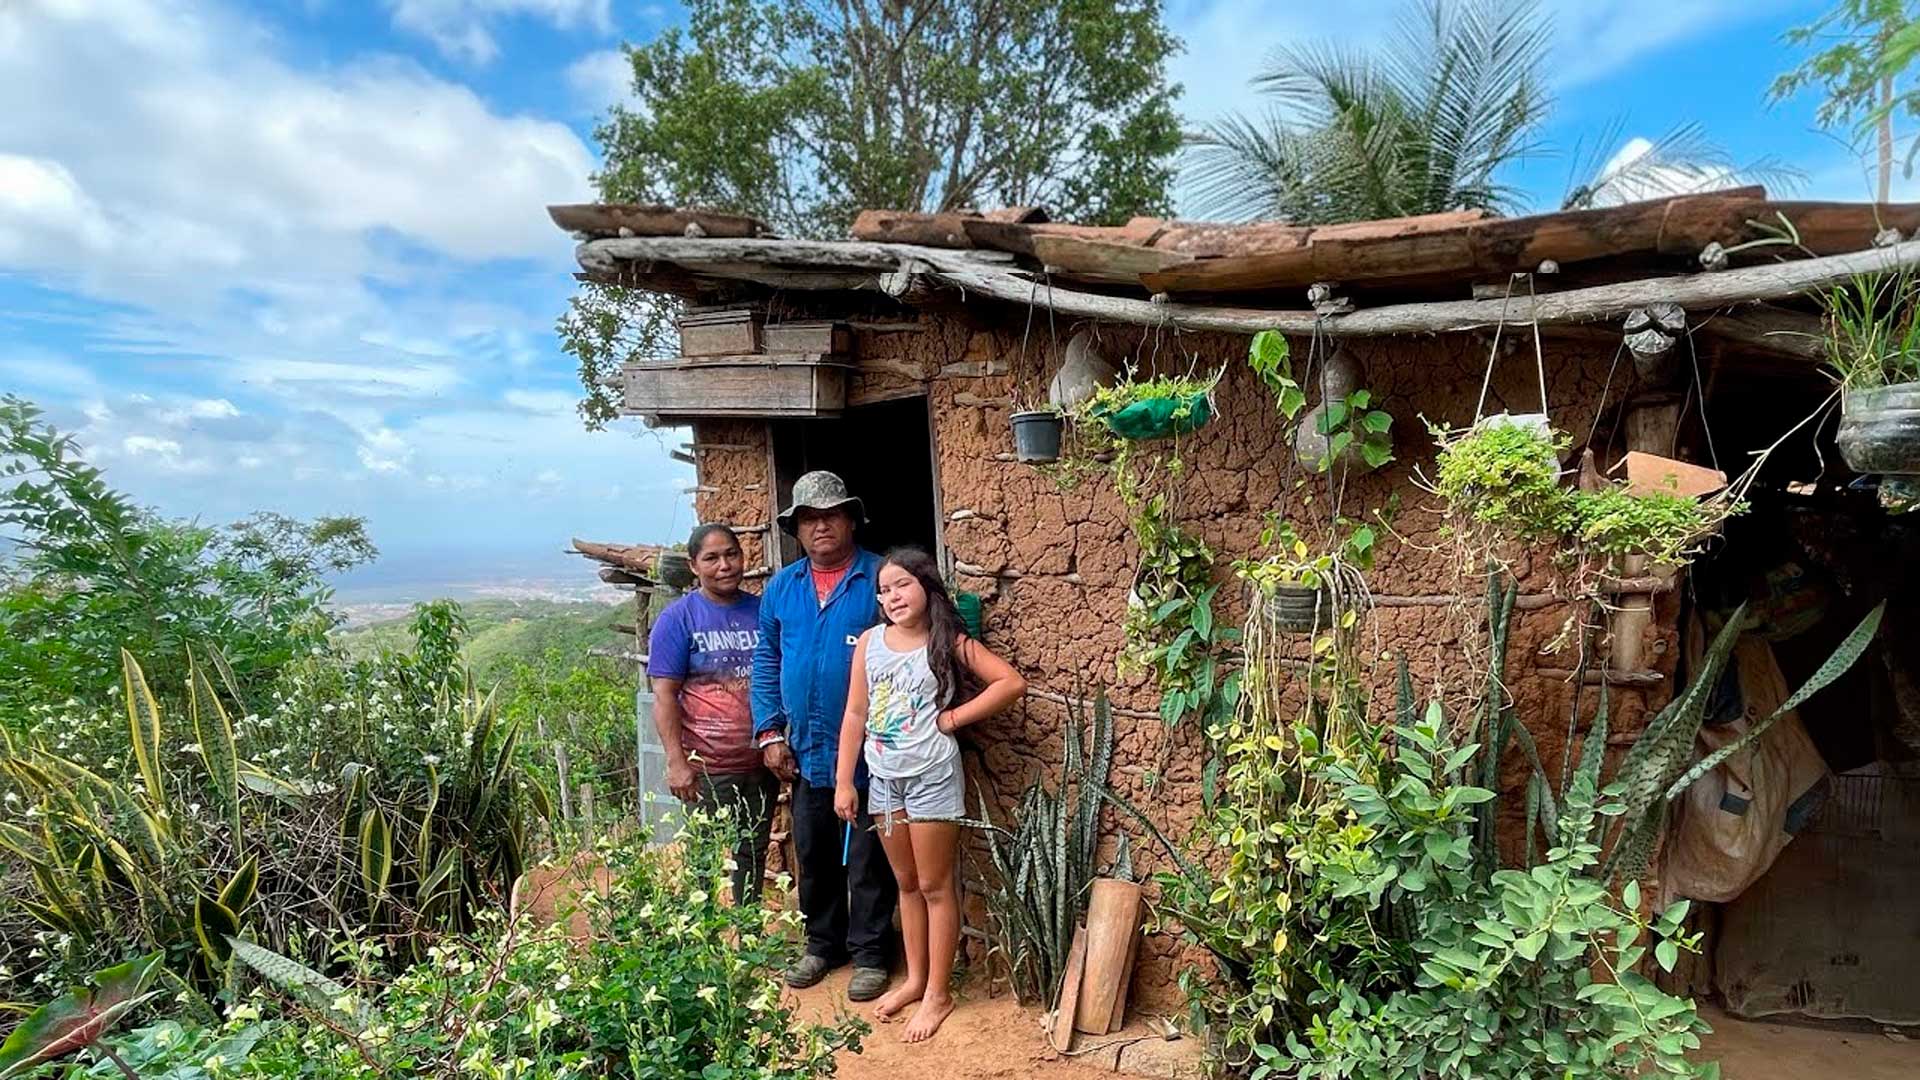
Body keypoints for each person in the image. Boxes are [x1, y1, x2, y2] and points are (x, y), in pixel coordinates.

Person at [834, 547, 1025, 1043]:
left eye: (901, 585)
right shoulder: (871, 643)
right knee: (907, 883)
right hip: (885, 779)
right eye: (884, 589)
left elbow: (1010, 682)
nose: (892, 596)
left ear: (925, 586)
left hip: (932, 776)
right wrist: (842, 780)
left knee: (937, 885)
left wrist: (953, 719)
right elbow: (856, 713)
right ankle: (915, 981)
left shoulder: (948, 641)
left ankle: (939, 992)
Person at [751, 471, 896, 1002]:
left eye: (830, 515)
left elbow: (914, 639)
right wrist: (769, 730)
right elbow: (766, 660)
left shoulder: (880, 577)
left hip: (871, 751)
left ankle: (873, 953)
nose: (820, 527)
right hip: (807, 746)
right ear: (796, 529)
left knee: (868, 858)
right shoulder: (783, 587)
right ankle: (822, 945)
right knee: (812, 852)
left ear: (851, 519)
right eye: (809, 519)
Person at [647, 523, 773, 904]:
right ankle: (705, 943)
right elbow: (664, 695)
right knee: (704, 858)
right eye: (711, 558)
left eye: (731, 554)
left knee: (751, 853)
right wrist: (677, 762)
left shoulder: (763, 612)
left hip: (759, 762)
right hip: (707, 768)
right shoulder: (678, 619)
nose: (725, 565)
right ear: (694, 565)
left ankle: (747, 934)